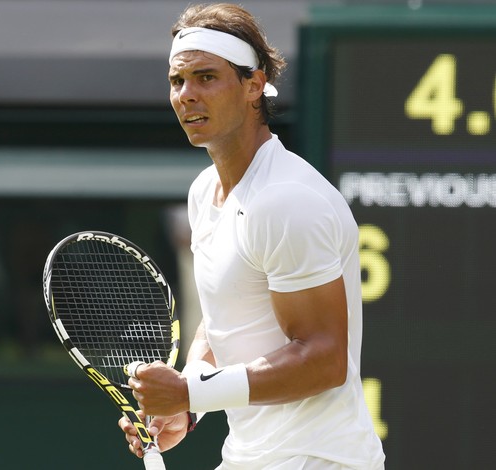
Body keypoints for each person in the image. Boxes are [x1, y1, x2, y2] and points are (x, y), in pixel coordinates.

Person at [118, 3, 386, 469]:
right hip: (249, 457)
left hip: (317, 459)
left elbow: (324, 359)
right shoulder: (205, 193)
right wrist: (186, 405)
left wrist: (189, 390)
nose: (186, 95)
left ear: (254, 86)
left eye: (206, 77)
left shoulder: (285, 199)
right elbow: (228, 316)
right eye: (177, 82)